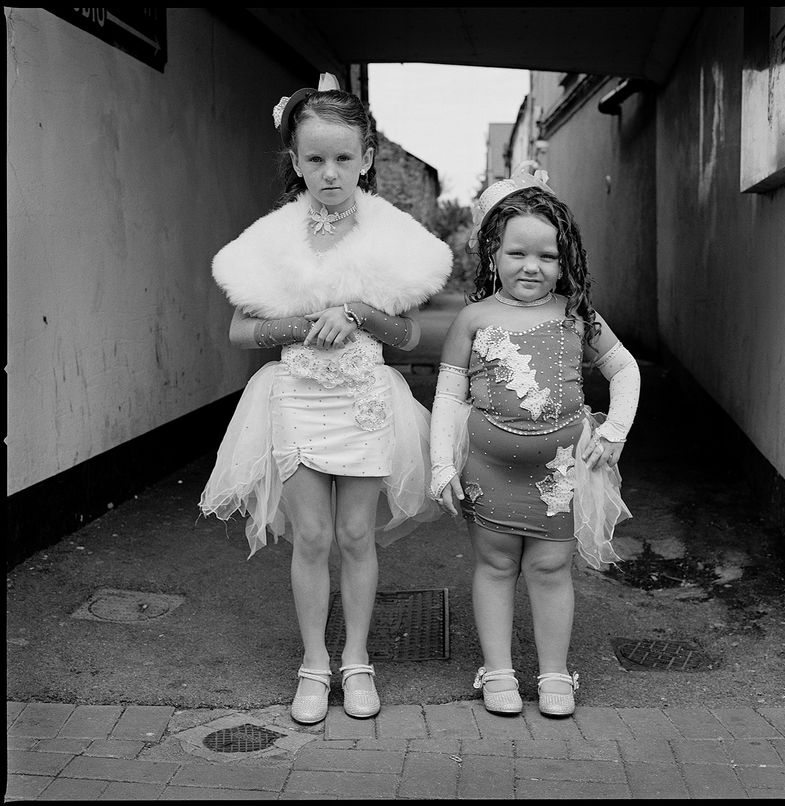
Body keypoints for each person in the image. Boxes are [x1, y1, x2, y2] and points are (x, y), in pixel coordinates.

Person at [199, 73, 452, 724]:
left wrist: (360, 311)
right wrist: (302, 326)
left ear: (367, 159)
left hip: (366, 399)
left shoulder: (391, 238)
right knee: (311, 536)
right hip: (297, 399)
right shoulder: (274, 240)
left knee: (354, 534)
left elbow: (411, 333)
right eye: (315, 159)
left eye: (344, 158)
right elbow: (239, 330)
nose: (330, 173)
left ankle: (358, 660)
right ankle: (314, 664)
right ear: (296, 161)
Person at [428, 162, 639, 717]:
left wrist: (615, 430)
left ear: (565, 260)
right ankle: (497, 671)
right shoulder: (473, 318)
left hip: (561, 474)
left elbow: (626, 371)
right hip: (487, 470)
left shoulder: (579, 316)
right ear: (492, 252)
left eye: (548, 256)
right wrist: (440, 468)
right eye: (518, 253)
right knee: (495, 567)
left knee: (550, 569)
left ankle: (553, 674)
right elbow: (448, 398)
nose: (533, 266)